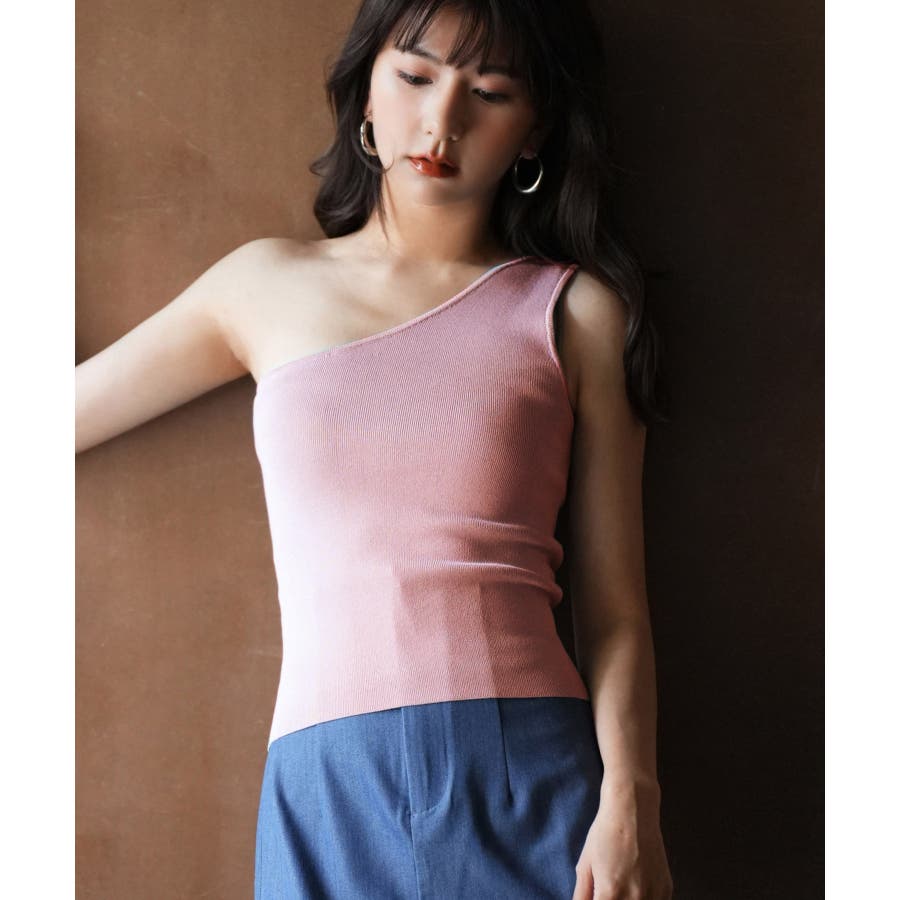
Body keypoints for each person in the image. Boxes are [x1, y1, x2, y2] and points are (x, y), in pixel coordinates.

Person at [76, 0, 674, 897]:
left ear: (535, 130)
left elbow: (616, 606)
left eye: (491, 92)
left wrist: (631, 802)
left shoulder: (576, 312)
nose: (443, 120)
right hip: (324, 785)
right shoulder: (262, 286)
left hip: (523, 769)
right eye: (416, 76)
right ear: (365, 91)